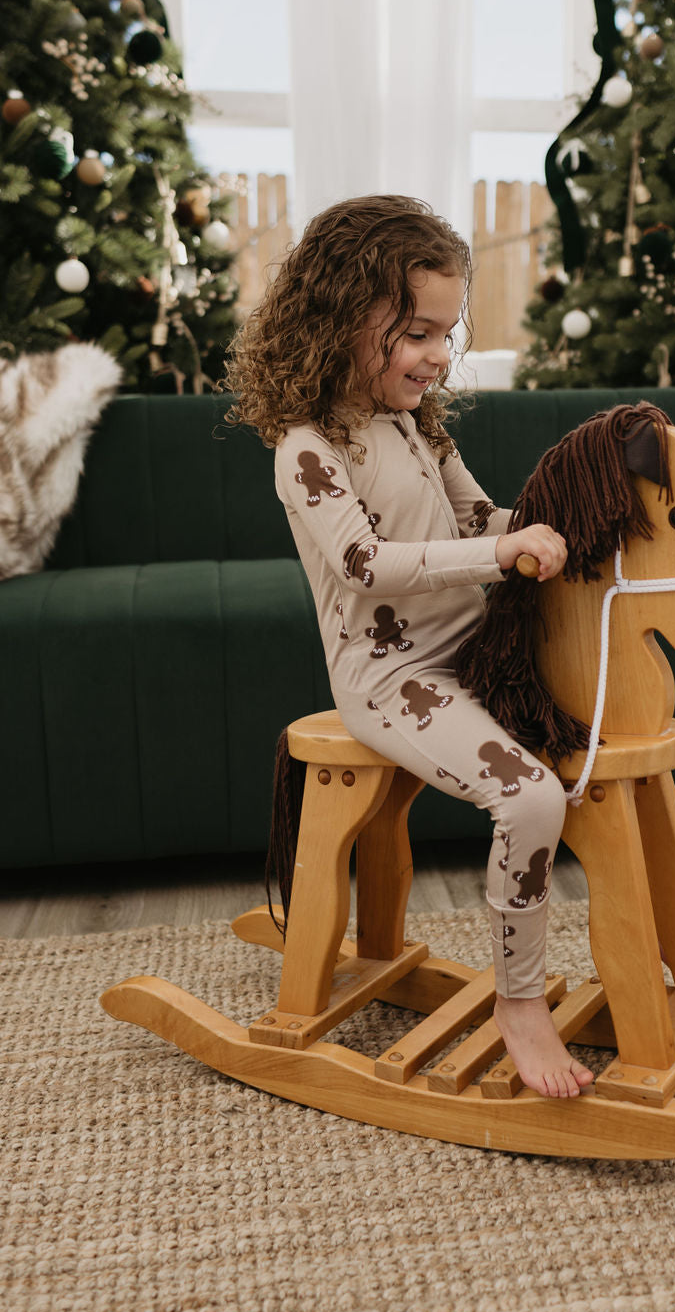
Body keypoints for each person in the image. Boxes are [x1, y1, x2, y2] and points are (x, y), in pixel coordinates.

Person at [225, 193, 594, 1099]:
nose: (436, 356)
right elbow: (364, 562)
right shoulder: (309, 448)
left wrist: (566, 530)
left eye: (446, 334)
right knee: (532, 797)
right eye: (417, 333)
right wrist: (500, 552)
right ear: (343, 319)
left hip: (475, 649)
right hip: (391, 676)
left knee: (606, 739)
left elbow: (481, 516)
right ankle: (519, 1002)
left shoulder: (417, 425)